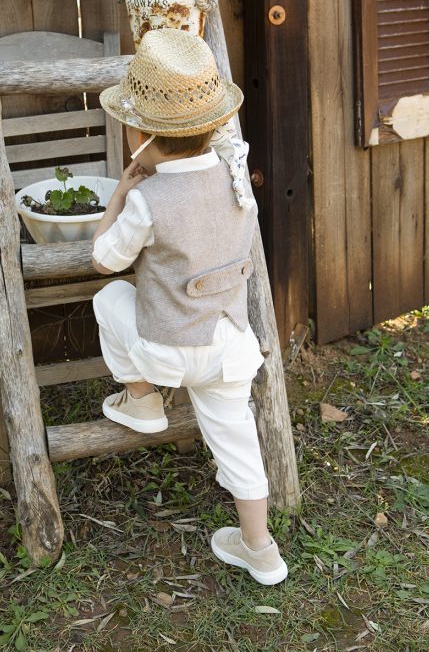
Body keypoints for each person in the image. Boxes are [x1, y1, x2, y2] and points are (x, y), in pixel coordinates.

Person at [91, 29, 287, 586]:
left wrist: (120, 195)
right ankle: (261, 549)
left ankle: (142, 400)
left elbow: (105, 260)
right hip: (228, 345)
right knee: (237, 439)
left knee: (110, 299)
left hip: (168, 351)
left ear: (138, 132)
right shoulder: (236, 178)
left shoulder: (149, 200)